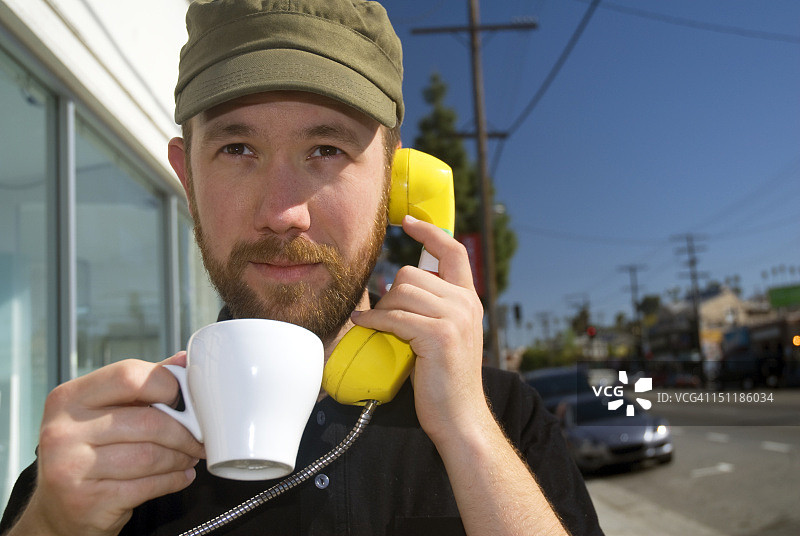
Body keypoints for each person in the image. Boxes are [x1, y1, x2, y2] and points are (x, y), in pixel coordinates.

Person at [1, 1, 604, 535]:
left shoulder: (503, 421)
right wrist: (51, 527)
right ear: (187, 178)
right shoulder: (96, 458)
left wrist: (469, 436)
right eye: (238, 150)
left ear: (395, 182)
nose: (282, 213)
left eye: (327, 150)